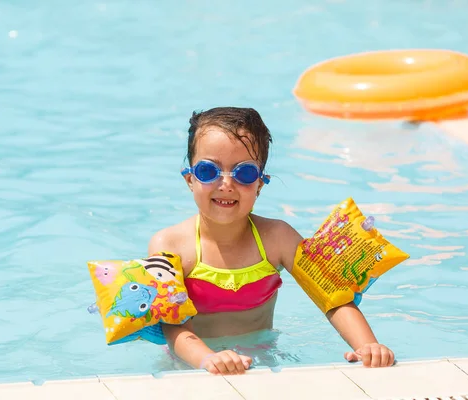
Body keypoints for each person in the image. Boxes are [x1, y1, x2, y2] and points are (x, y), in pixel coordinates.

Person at [148, 107, 395, 375]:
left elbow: (333, 298)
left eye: (244, 174)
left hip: (261, 361)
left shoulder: (277, 238)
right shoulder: (169, 244)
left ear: (260, 185)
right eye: (209, 171)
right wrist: (208, 360)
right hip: (190, 365)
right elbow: (172, 327)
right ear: (190, 179)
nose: (226, 184)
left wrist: (368, 346)